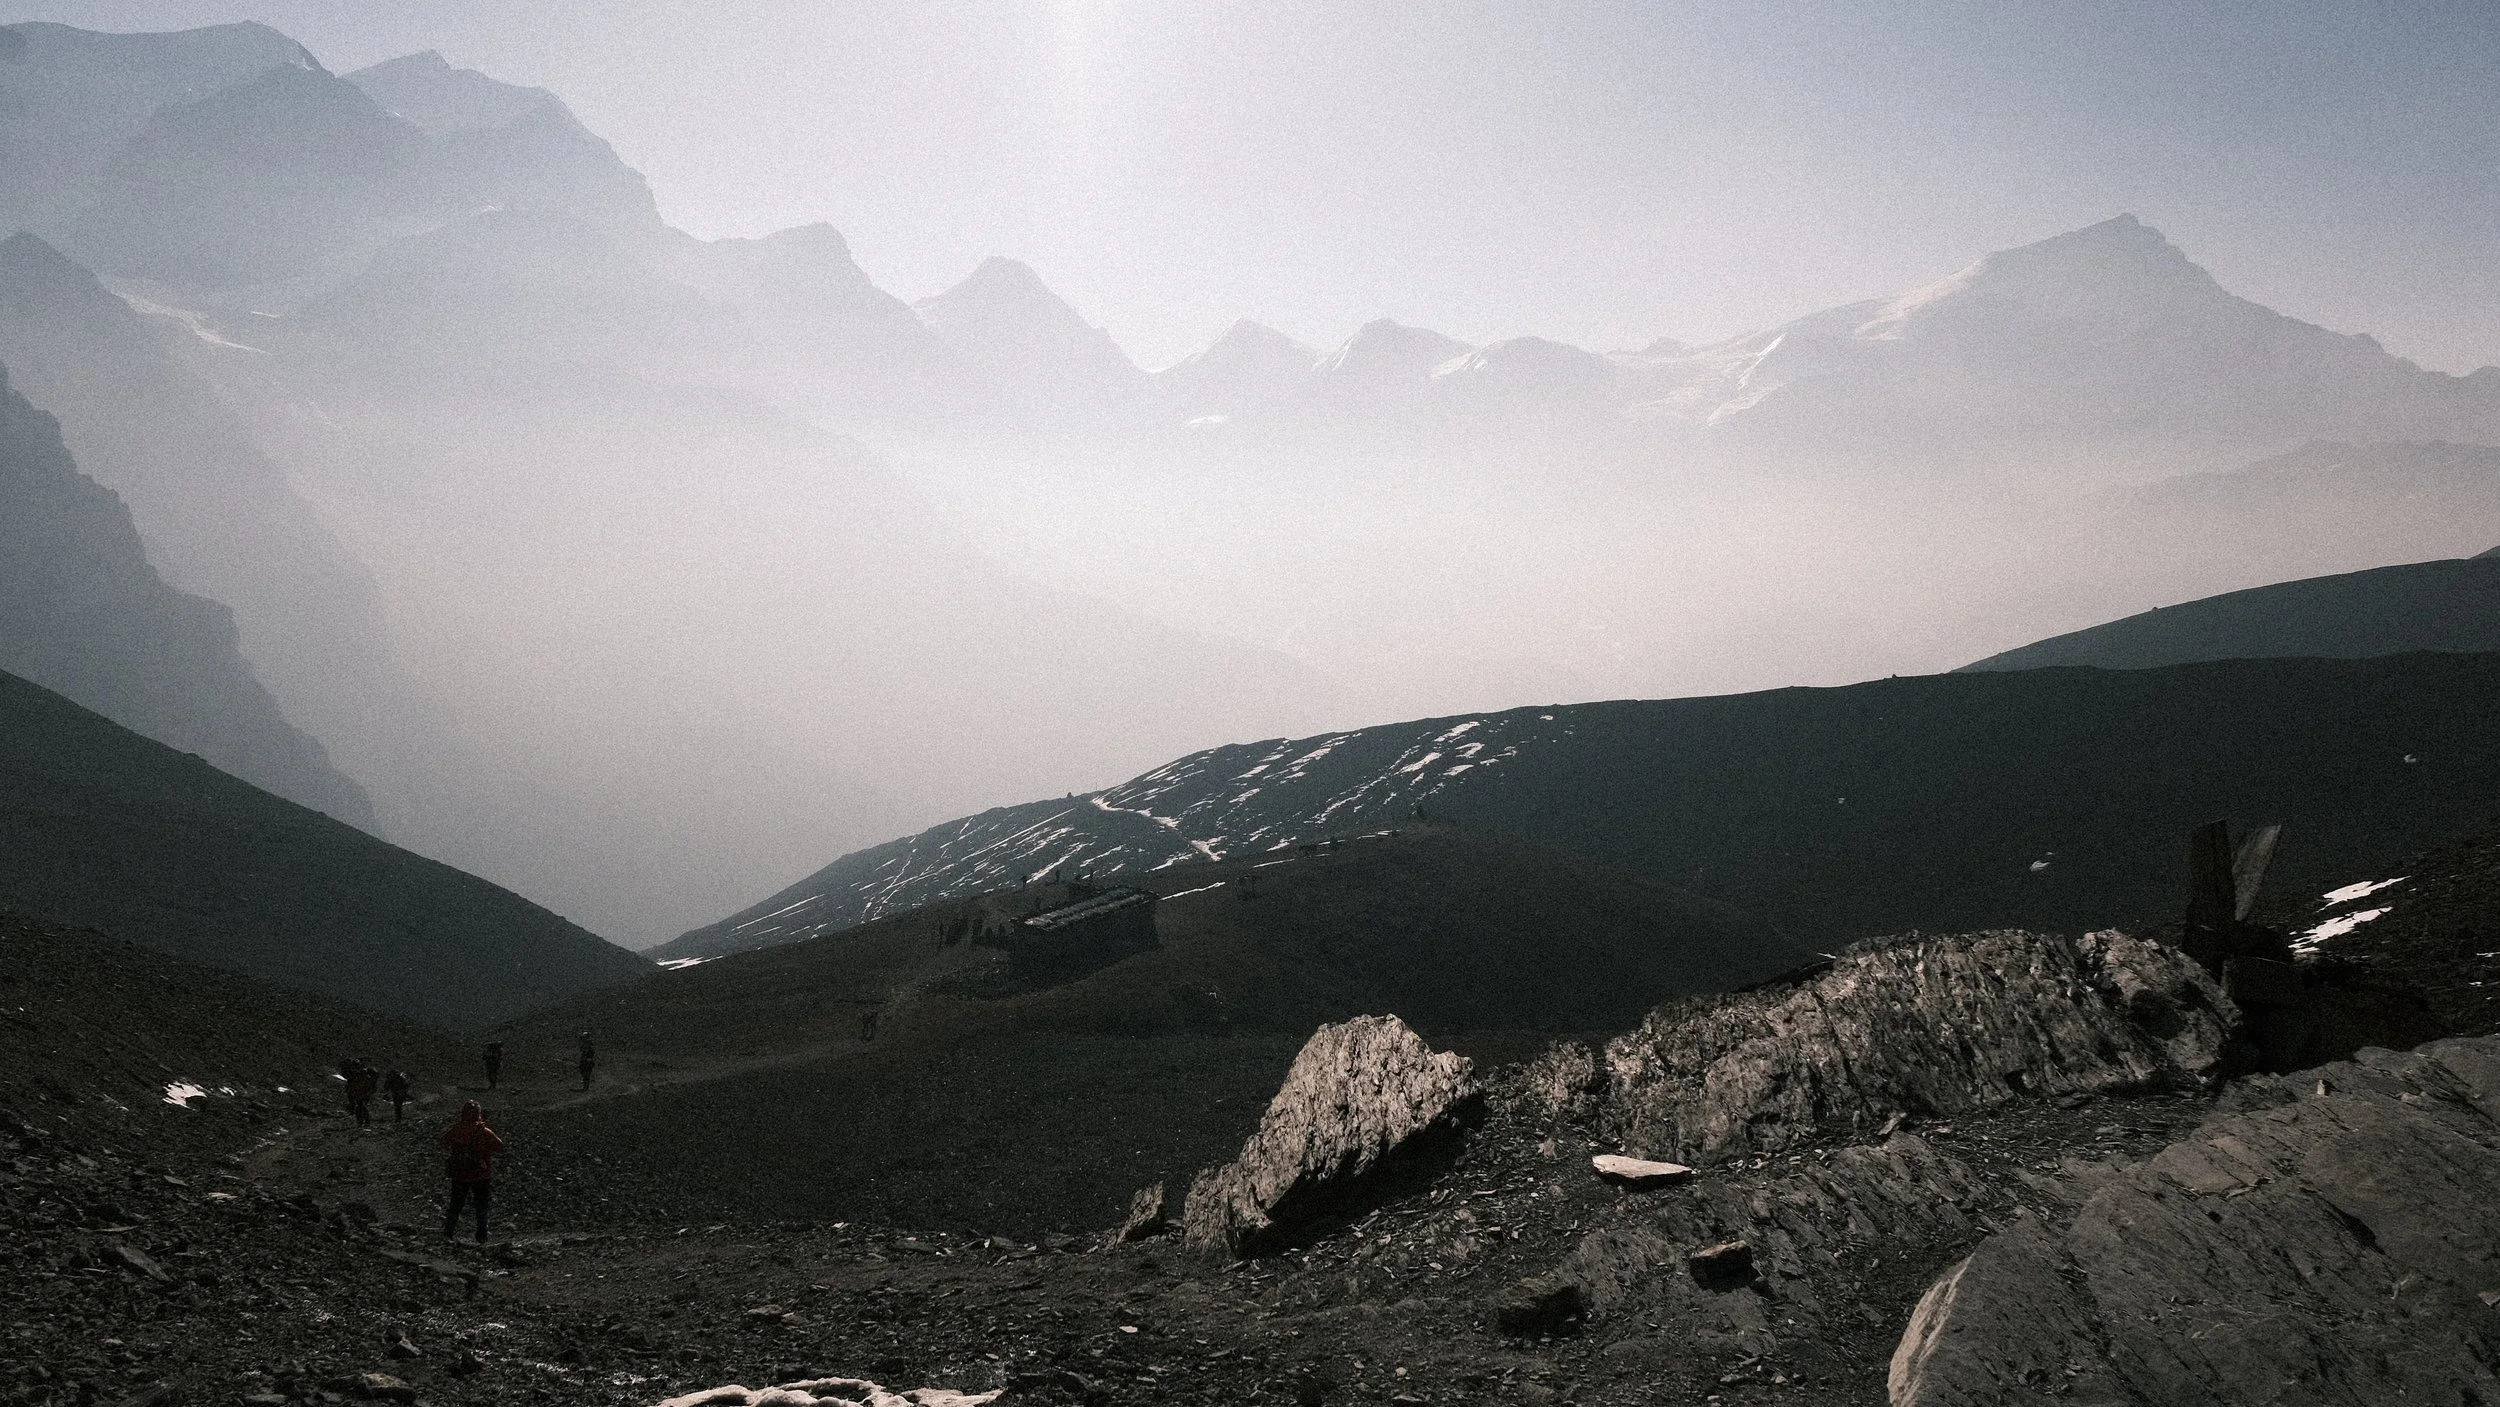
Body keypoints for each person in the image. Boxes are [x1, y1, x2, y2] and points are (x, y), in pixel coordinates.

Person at [438, 1100, 505, 1244]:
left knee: (455, 1204)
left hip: (460, 1174)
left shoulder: (457, 1129)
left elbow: (443, 1142)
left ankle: (448, 1232)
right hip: (481, 1173)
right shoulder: (484, 1131)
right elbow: (499, 1146)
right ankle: (482, 1235)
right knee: (481, 1205)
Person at [345, 1061, 379, 1128]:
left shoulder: (361, 1074)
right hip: (362, 1093)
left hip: (363, 1093)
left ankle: (363, 1122)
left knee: (361, 1107)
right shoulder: (360, 1074)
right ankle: (363, 1123)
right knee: (360, 1108)